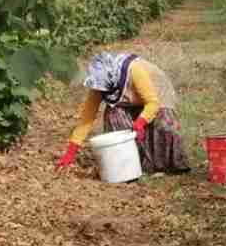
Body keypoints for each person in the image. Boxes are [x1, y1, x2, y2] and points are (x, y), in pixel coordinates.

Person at [55, 52, 191, 174]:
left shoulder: (134, 71)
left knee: (163, 121)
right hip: (129, 98)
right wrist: (71, 151)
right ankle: (133, 161)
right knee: (113, 113)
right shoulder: (100, 82)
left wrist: (140, 122)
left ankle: (169, 164)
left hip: (155, 90)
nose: (101, 92)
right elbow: (87, 118)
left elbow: (152, 103)